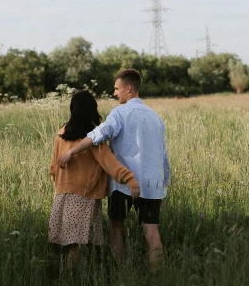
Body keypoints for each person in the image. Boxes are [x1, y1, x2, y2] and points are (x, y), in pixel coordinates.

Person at [57, 69, 170, 270]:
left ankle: (122, 273)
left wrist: (71, 152)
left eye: (117, 89)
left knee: (116, 228)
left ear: (128, 89)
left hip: (123, 185)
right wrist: (164, 185)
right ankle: (157, 279)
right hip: (152, 183)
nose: (115, 93)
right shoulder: (155, 117)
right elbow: (163, 154)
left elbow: (98, 135)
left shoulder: (120, 112)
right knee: (152, 232)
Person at [49, 89, 140, 267]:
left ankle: (74, 280)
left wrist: (59, 189)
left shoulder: (62, 132)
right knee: (78, 247)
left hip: (62, 195)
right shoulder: (92, 138)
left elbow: (53, 168)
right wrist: (129, 178)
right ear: (92, 109)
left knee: (72, 246)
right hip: (84, 197)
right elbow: (109, 163)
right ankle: (76, 283)